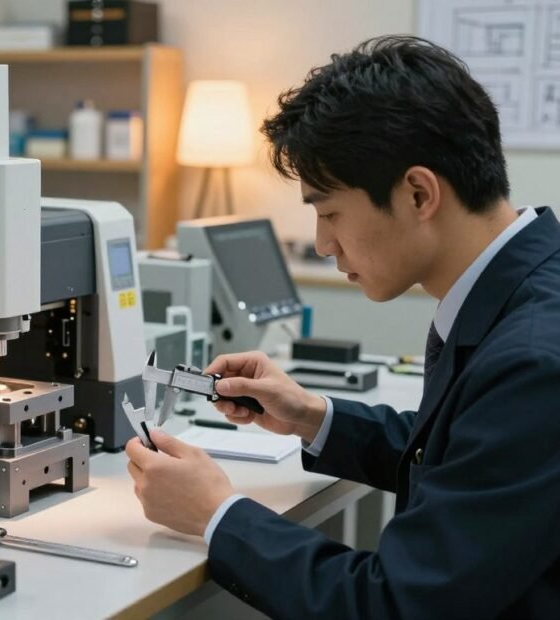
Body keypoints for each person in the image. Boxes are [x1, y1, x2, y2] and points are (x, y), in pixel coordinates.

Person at [126, 35, 560, 619]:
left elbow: (395, 605)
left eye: (329, 212)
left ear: (417, 193)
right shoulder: (525, 286)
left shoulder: (535, 359)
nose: (323, 243)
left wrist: (217, 513)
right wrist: (311, 416)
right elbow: (468, 456)